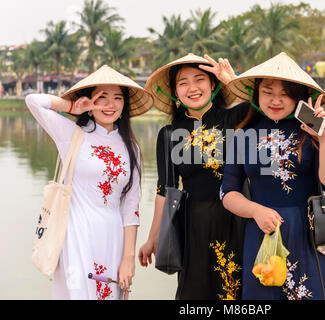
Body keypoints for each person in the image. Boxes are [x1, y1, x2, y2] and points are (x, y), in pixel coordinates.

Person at [220, 52, 325, 300]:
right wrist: (255, 211)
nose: (275, 100)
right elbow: (227, 193)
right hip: (262, 236)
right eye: (268, 92)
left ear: (299, 98)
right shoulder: (243, 135)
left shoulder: (312, 134)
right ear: (257, 94)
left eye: (285, 93)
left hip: (309, 237)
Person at [25, 65, 153, 299]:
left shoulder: (130, 147)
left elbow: (130, 206)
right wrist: (73, 107)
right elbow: (33, 100)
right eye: (101, 97)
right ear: (89, 100)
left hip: (112, 237)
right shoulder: (70, 133)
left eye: (117, 98)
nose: (110, 104)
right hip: (75, 234)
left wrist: (128, 258)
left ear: (125, 104)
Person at [139, 53, 250, 300]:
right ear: (174, 92)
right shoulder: (169, 134)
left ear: (213, 84)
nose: (192, 88)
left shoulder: (234, 119)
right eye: (183, 82)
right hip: (193, 227)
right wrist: (152, 237)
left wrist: (231, 80)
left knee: (236, 293)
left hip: (238, 222)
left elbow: (264, 105)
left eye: (199, 79)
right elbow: (164, 190)